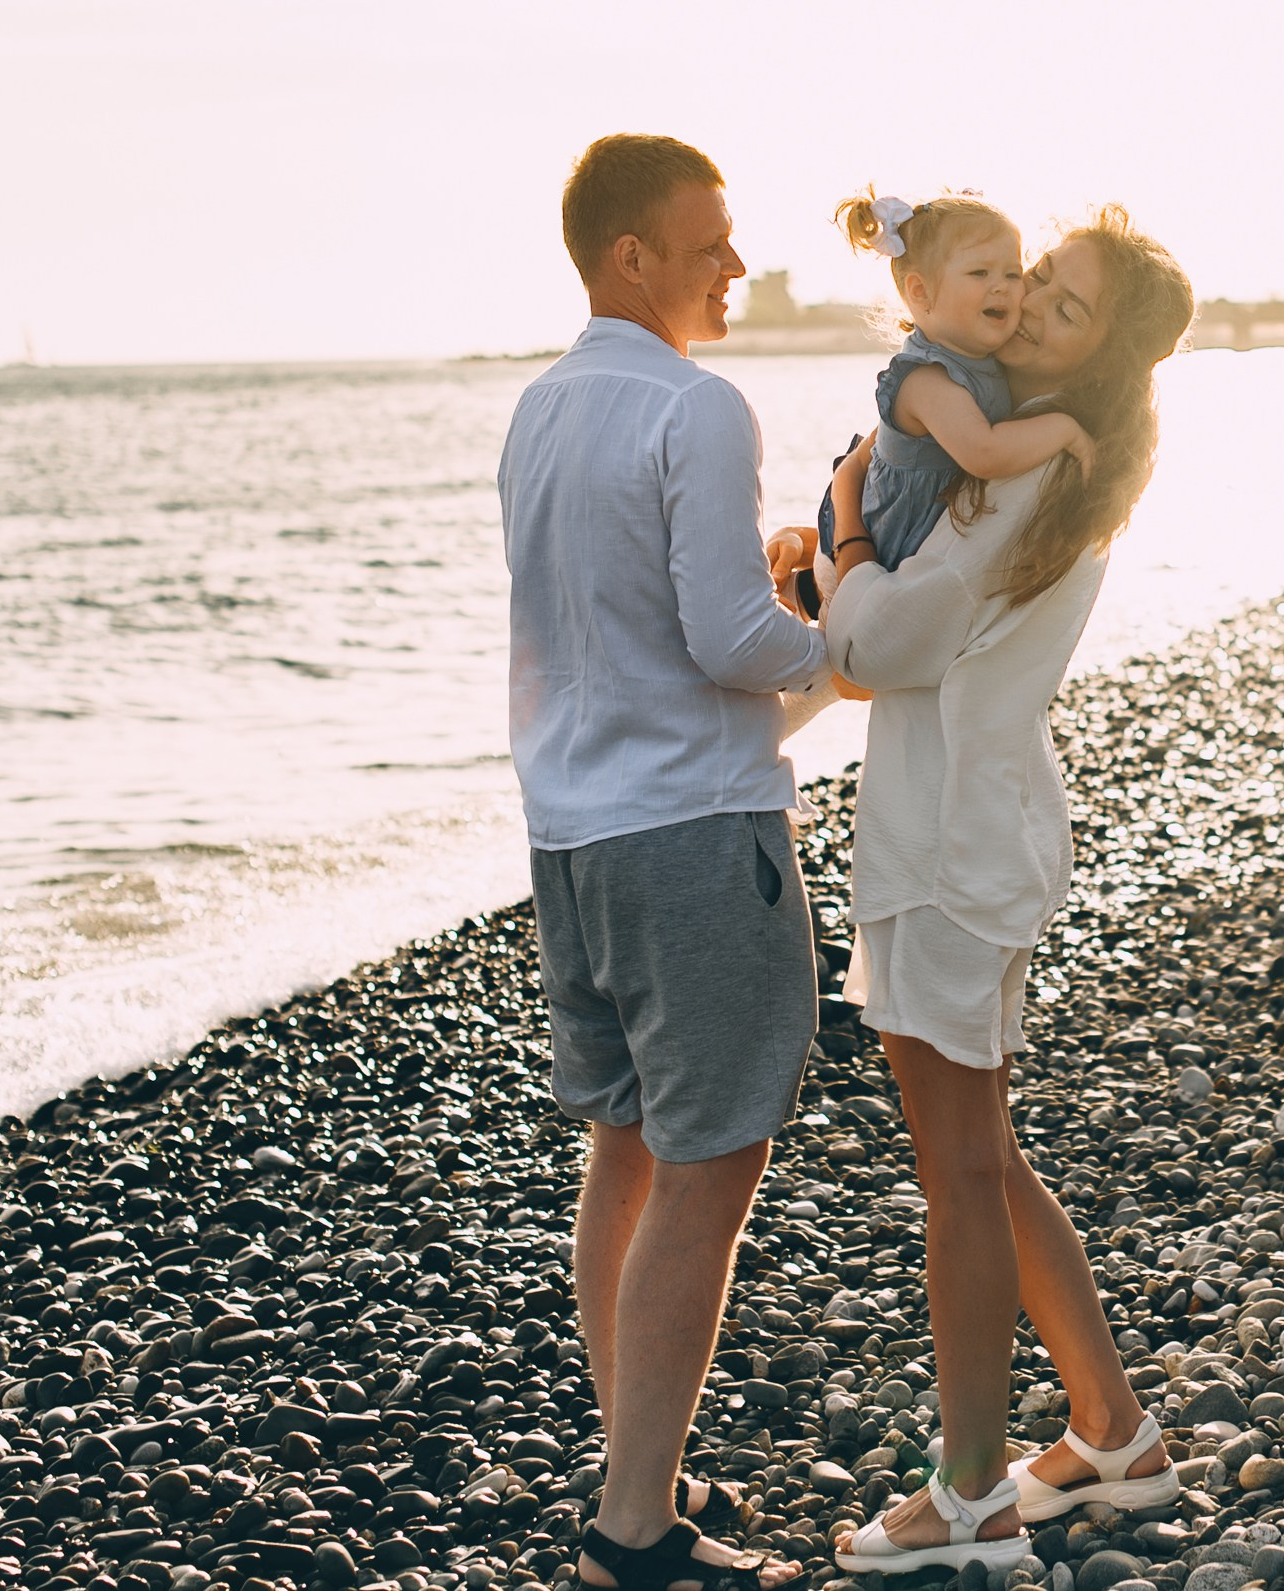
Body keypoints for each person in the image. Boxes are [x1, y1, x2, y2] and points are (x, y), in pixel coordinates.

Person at [800, 207, 1198, 1575]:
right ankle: (1112, 1433)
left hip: (949, 846)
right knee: (981, 1152)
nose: (1026, 306)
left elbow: (884, 644)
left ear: (1099, 361)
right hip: (977, 829)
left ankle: (969, 1495)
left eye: (1063, 308)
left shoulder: (1015, 476)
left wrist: (843, 530)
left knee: (960, 1170)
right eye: (1037, 282)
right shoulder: (1036, 456)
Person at [496, 133, 827, 1591]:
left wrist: (768, 598)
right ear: (630, 257)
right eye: (710, 243)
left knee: (626, 1147)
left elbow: (610, 622)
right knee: (704, 1172)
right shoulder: (696, 405)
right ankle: (635, 1532)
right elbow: (728, 643)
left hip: (570, 834)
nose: (736, 265)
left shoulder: (538, 409)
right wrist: (846, 639)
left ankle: (639, 1464)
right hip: (692, 834)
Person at [807, 191, 1095, 591]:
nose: (1002, 287)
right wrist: (1066, 430)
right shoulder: (926, 380)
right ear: (921, 292)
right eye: (980, 273)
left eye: (1013, 274)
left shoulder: (980, 361)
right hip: (866, 553)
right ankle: (804, 591)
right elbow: (985, 453)